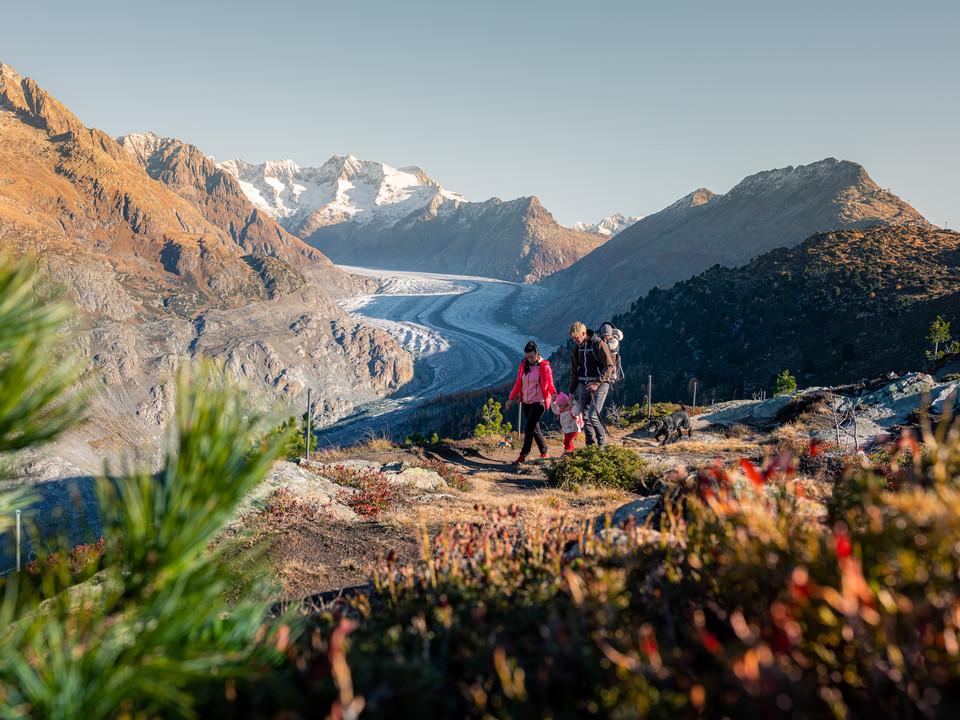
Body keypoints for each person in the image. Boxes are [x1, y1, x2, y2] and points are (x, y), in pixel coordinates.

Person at [506, 340, 556, 464]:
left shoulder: (544, 366)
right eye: (527, 357)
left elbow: (550, 383)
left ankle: (523, 455)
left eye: (532, 357)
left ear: (537, 353)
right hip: (526, 402)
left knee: (529, 428)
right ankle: (544, 452)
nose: (529, 359)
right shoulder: (524, 364)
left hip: (540, 401)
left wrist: (554, 394)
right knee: (534, 428)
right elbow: (519, 383)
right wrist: (511, 398)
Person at [568, 321, 615, 448]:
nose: (574, 340)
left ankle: (602, 444)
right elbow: (574, 370)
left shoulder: (598, 344)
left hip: (600, 383)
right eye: (572, 338)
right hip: (584, 383)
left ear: (583, 334)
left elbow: (609, 366)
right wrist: (571, 391)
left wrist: (597, 382)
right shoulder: (577, 347)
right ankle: (590, 446)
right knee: (586, 417)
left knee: (593, 415)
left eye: (576, 337)